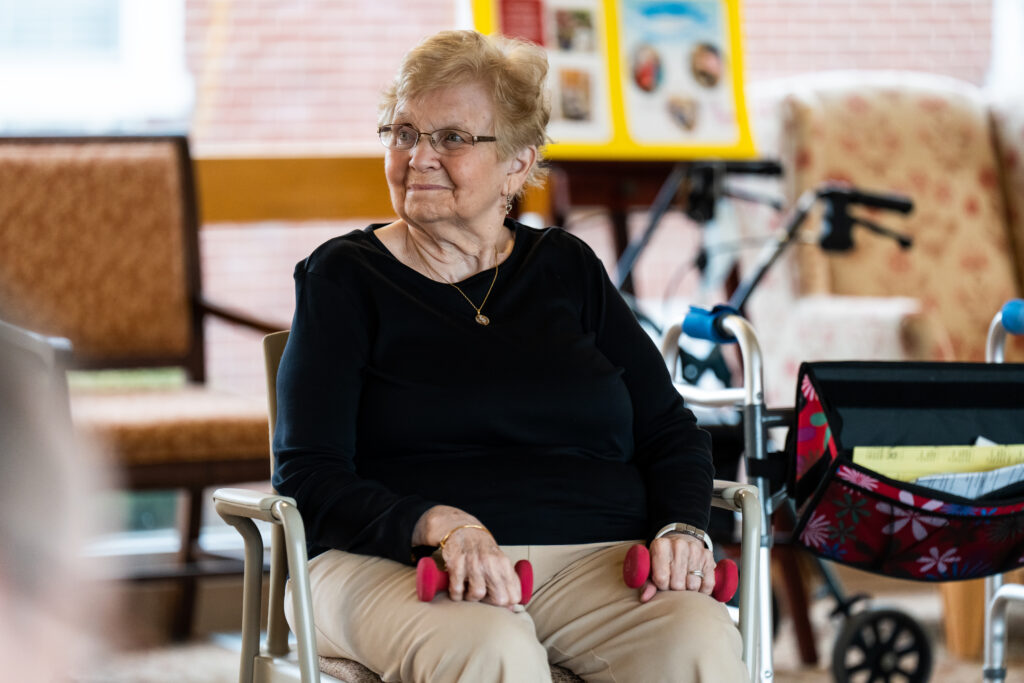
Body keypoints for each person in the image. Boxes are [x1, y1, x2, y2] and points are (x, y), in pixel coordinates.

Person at [273, 29, 745, 682]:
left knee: (697, 636)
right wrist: (433, 521)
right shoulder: (345, 278)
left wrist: (682, 529)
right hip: (395, 563)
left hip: (593, 562)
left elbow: (670, 431)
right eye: (404, 132)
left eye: (453, 138)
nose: (419, 157)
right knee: (490, 646)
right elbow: (306, 474)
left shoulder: (568, 268)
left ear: (519, 163)